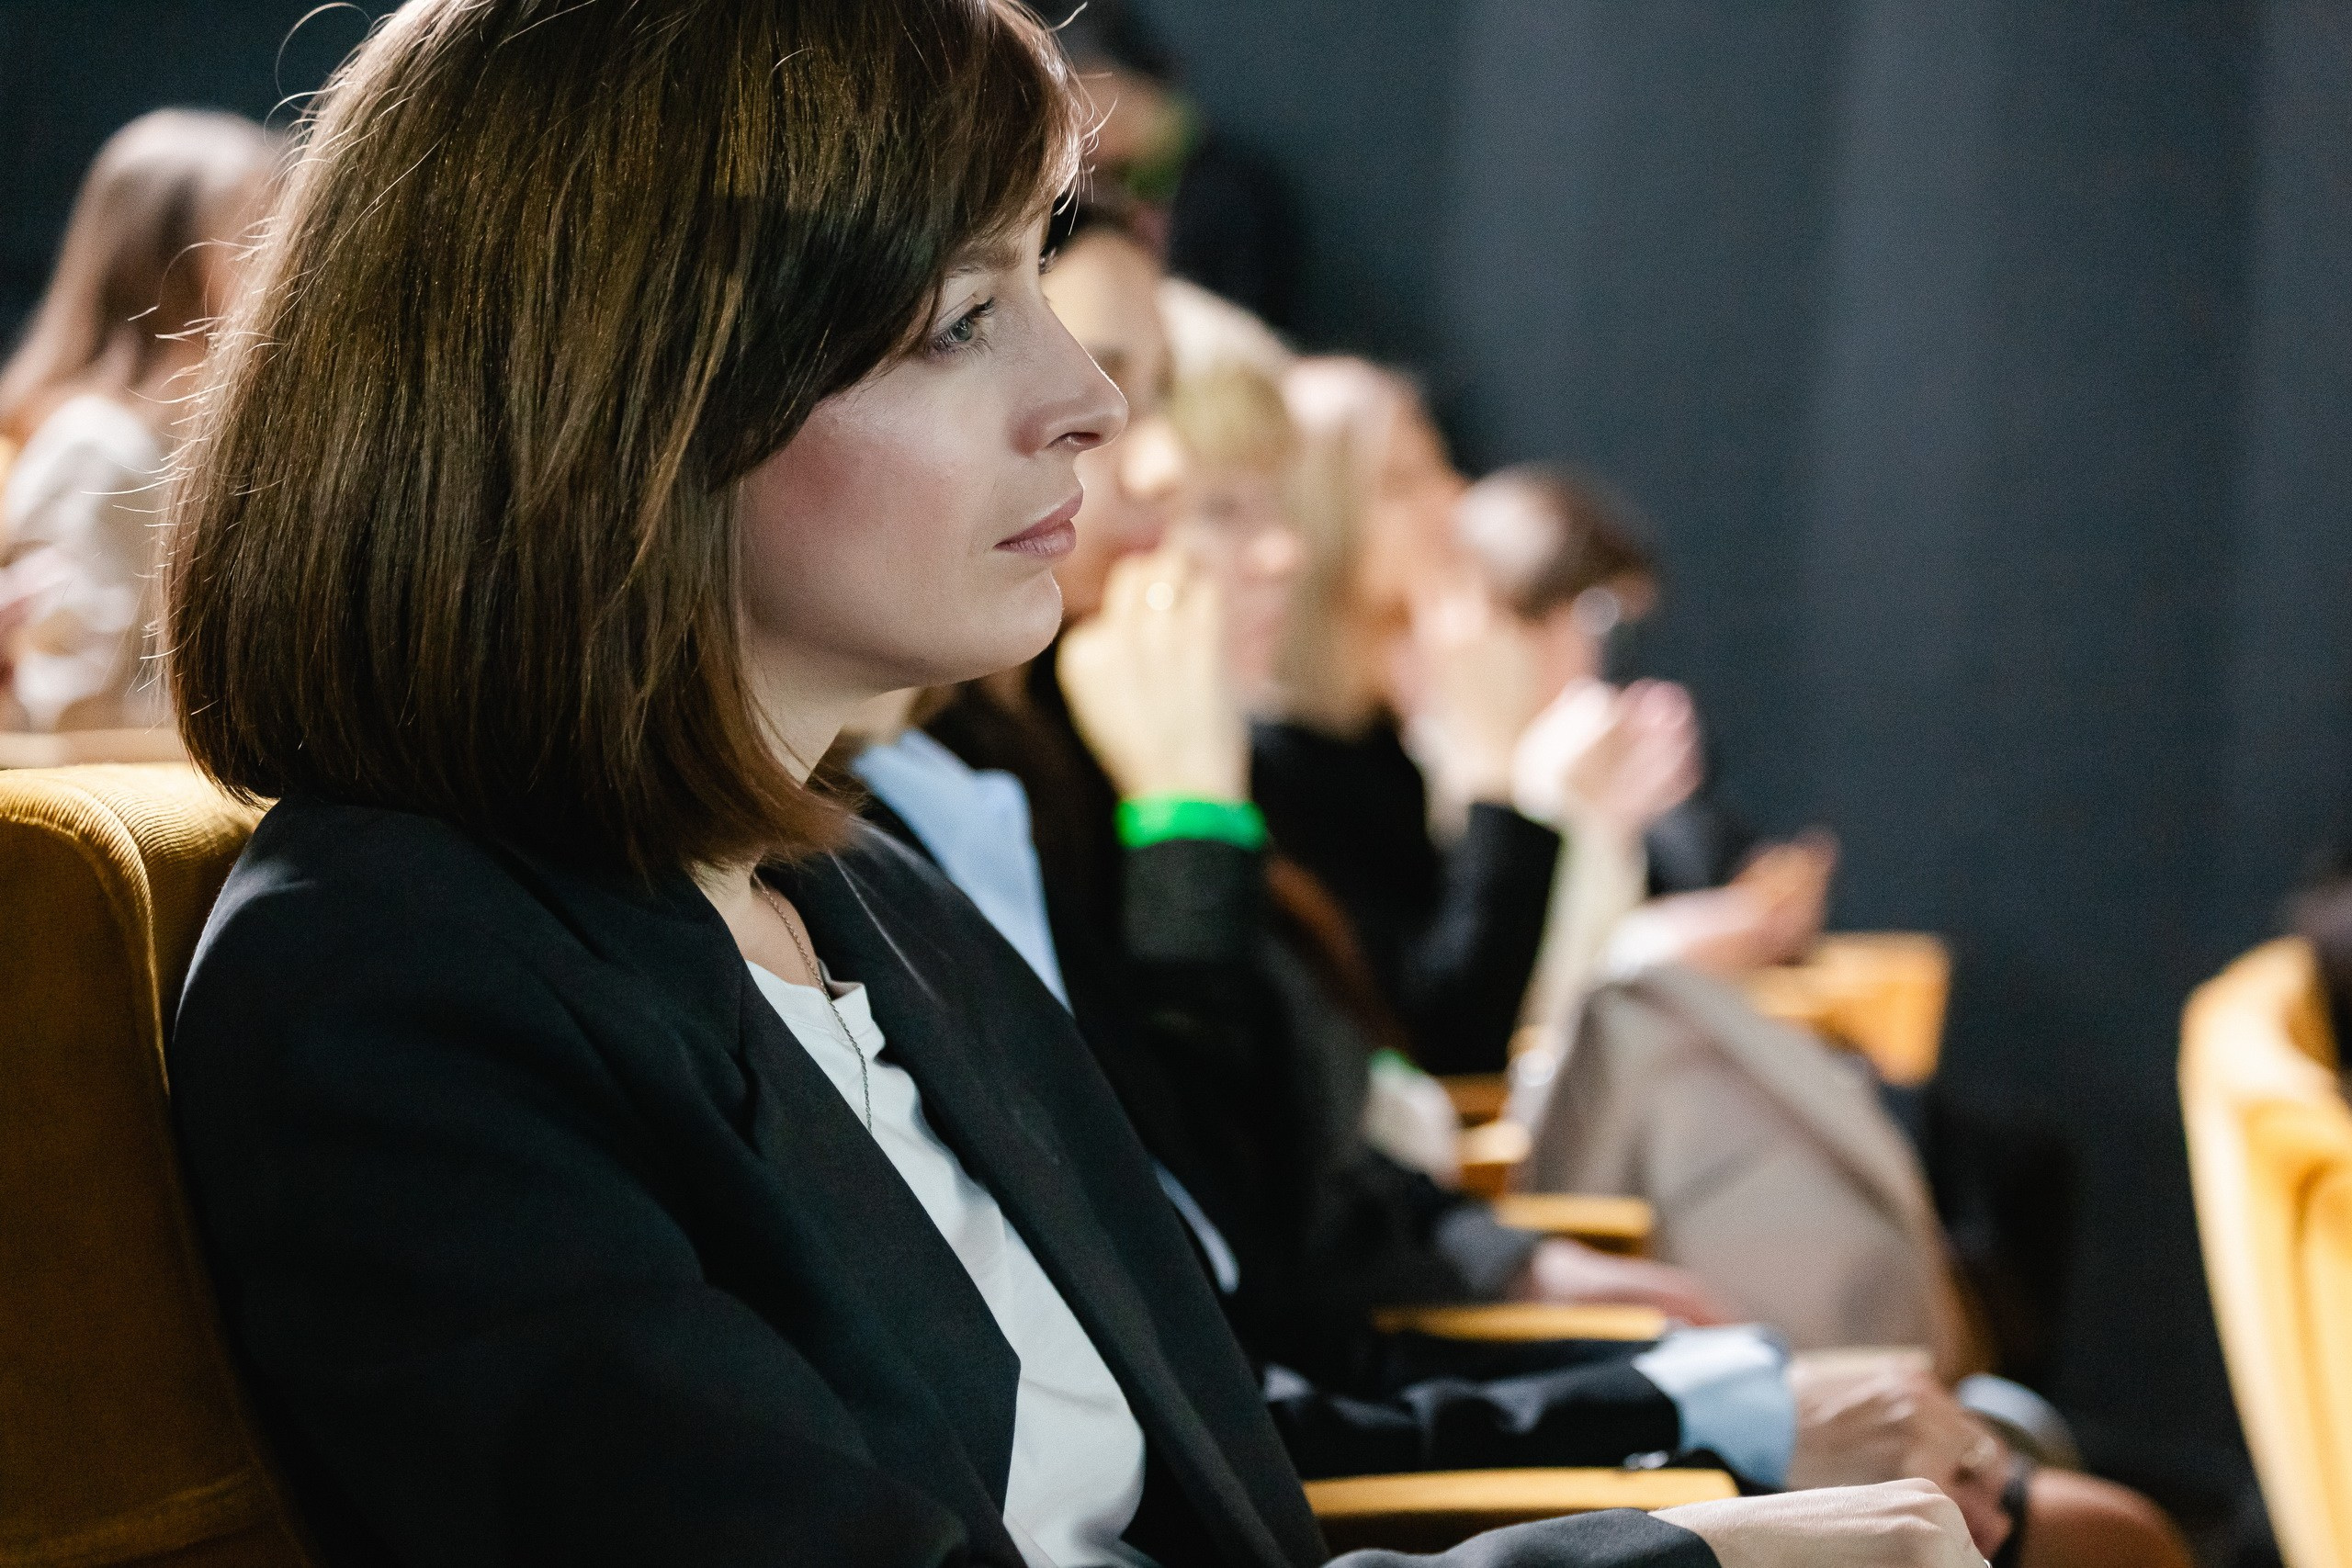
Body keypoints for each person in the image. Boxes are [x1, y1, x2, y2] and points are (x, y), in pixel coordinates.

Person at [159, 3, 1977, 1566]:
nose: (1092, 399)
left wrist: (1708, 1458)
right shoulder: (396, 982)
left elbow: (1204, 1455)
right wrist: (1669, 1546)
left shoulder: (865, 895)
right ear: (619, 393)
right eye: (962, 317)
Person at [0, 108, 277, 734]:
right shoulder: (96, 448)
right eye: (255, 236)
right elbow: (63, 710)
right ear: (167, 264)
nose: (285, 266)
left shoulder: (187, 449)